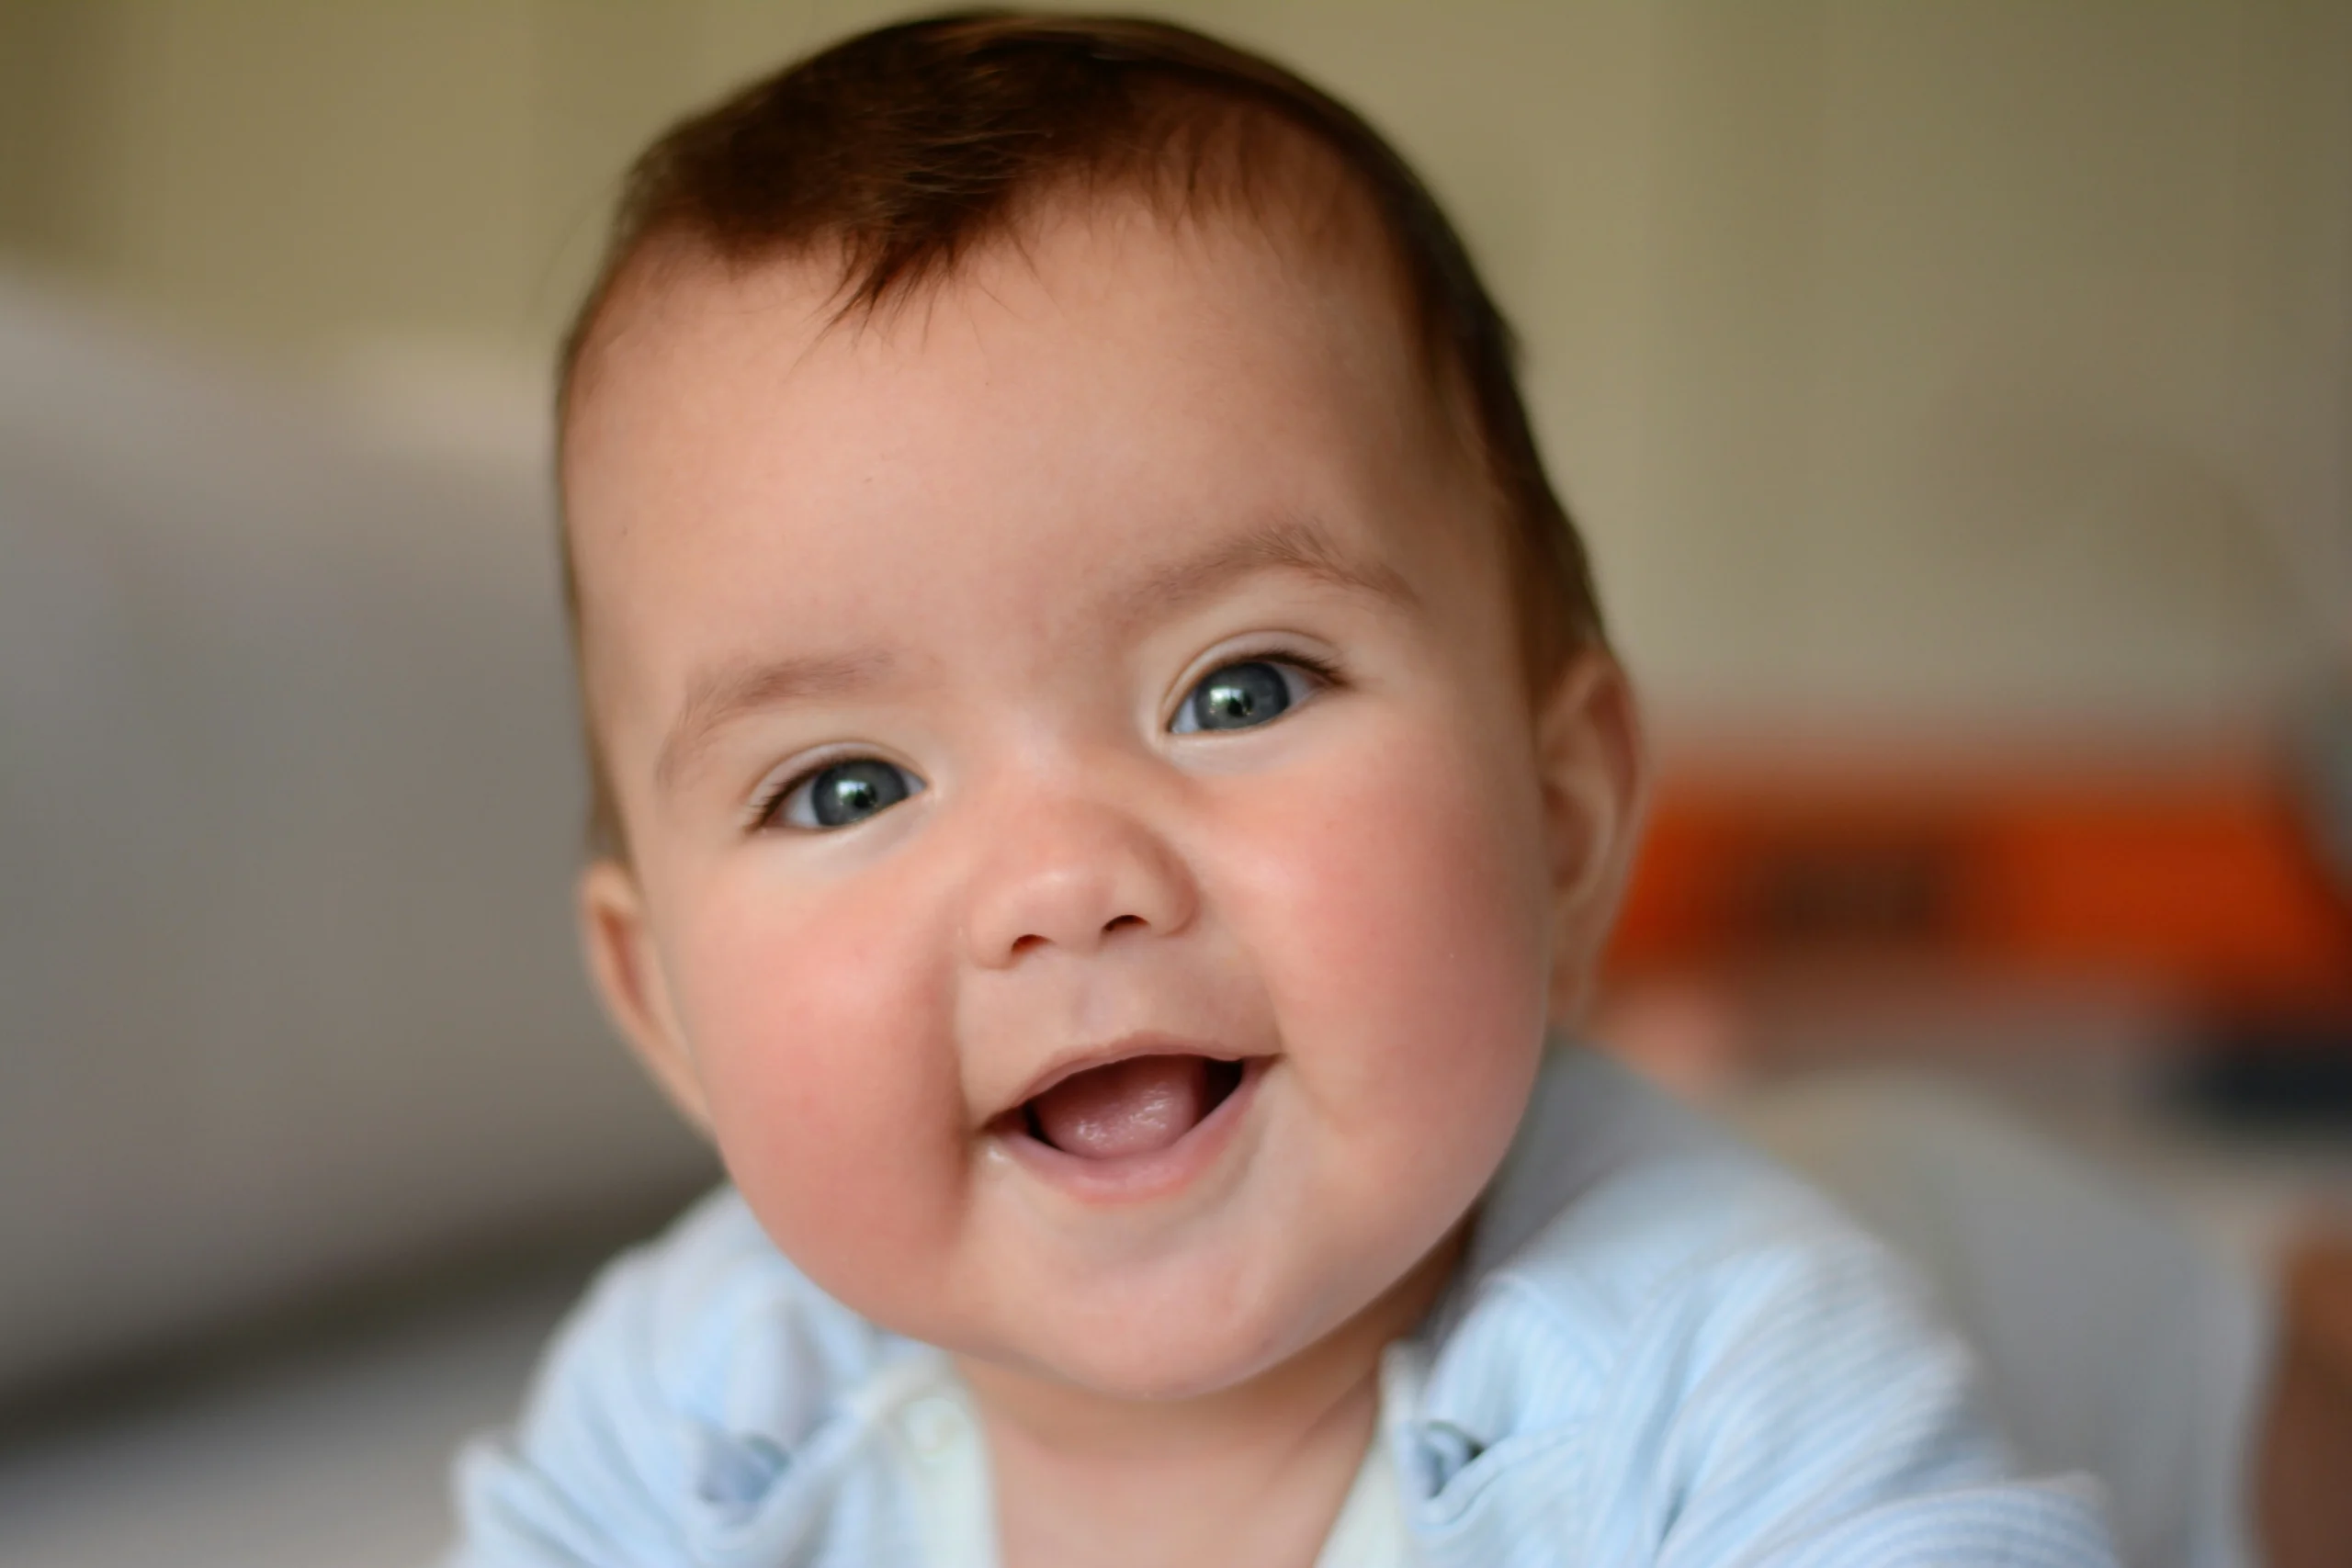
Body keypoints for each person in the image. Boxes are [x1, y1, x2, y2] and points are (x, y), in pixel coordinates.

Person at [445, 15, 2118, 1566]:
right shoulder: (702, 1417)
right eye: (844, 785)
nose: (1065, 879)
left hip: (2067, 1284)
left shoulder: (1727, 1360)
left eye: (1238, 689)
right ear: (662, 1001)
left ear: (1561, 826)